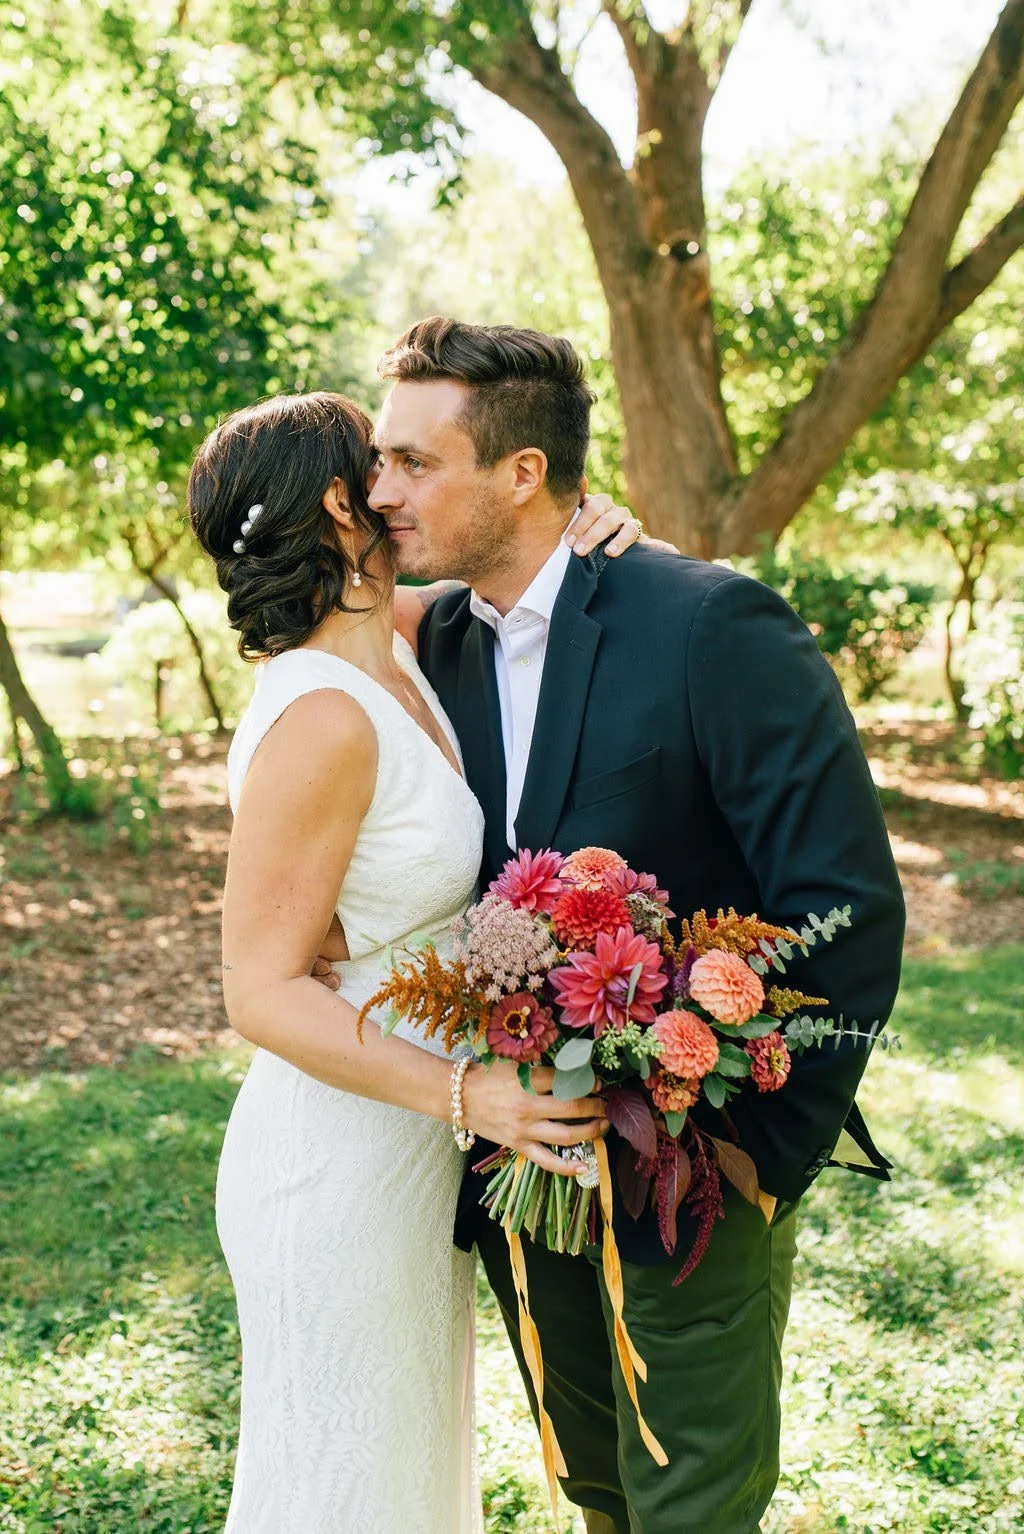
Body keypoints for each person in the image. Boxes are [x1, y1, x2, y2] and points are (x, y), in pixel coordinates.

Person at [368, 316, 906, 1534]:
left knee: (692, 1506)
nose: (381, 489)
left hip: (693, 1178)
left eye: (412, 462)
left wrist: (756, 1162)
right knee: (595, 1489)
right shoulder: (434, 639)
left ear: (522, 472)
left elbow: (846, 907)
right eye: (380, 461)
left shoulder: (709, 624)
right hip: (514, 1164)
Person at [186, 388, 647, 1534]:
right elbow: (258, 989)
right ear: (341, 504)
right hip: (336, 1161)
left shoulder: (391, 639)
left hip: (410, 1156)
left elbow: (514, 572)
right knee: (341, 1491)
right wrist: (467, 1092)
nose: (401, 482)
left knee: (404, 1477)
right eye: (381, 463)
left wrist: (590, 525)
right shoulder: (323, 716)